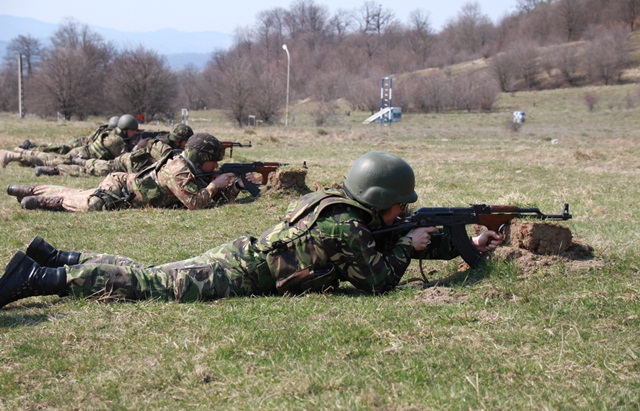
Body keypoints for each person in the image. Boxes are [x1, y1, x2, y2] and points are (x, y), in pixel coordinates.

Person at [0, 151, 504, 309]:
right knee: (150, 285)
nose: (402, 215)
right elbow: (375, 279)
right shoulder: (348, 227)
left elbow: (385, 238)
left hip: (242, 253)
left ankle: (56, 256)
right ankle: (45, 278)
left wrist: (452, 243)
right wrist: (411, 249)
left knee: (150, 272)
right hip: (241, 274)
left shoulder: (339, 207)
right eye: (398, 207)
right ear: (378, 201)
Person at [6, 132, 249, 211]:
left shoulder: (192, 169)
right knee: (92, 203)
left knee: (81, 191)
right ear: (201, 158)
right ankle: (45, 200)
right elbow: (195, 203)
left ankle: (33, 189)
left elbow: (211, 202)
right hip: (121, 188)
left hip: (129, 190)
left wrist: (236, 187)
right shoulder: (179, 171)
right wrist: (215, 185)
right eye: (213, 161)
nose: (216, 166)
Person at [33, 124, 194, 177]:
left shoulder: (166, 141)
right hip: (127, 164)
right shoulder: (162, 145)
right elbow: (171, 158)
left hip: (130, 164)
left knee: (92, 166)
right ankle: (54, 170)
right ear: (180, 140)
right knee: (91, 170)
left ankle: (78, 161)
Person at [0, 114, 139, 169]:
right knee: (51, 162)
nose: (134, 133)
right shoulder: (116, 140)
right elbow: (125, 158)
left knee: (52, 159)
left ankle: (21, 153)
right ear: (126, 129)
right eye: (133, 130)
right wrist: (138, 146)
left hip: (81, 153)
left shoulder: (112, 134)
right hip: (81, 155)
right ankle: (16, 155)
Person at [14, 116, 120, 155]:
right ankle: (32, 148)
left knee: (57, 146)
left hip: (82, 141)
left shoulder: (102, 129)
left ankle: (32, 146)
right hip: (81, 145)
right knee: (59, 149)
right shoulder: (107, 134)